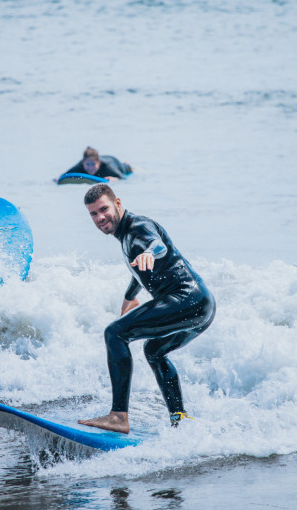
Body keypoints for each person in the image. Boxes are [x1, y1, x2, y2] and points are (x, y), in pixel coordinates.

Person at [78, 184, 215, 433]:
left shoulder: (138, 227)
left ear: (117, 203)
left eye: (103, 209)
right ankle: (180, 419)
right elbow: (138, 269)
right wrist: (129, 297)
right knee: (154, 350)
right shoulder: (126, 236)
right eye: (93, 214)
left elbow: (157, 245)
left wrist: (150, 253)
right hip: (202, 304)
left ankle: (119, 416)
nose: (100, 218)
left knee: (115, 333)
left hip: (186, 298)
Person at [57, 147, 132, 182]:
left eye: (93, 164)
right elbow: (65, 175)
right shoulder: (80, 165)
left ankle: (126, 164)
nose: (90, 167)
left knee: (127, 169)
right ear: (83, 163)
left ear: (99, 162)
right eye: (88, 164)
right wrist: (58, 178)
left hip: (114, 162)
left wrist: (116, 179)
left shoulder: (107, 166)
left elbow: (123, 178)